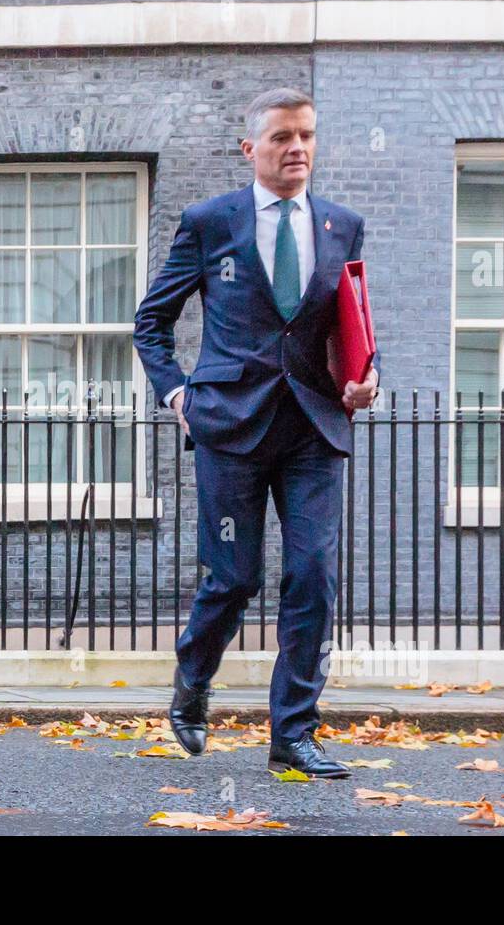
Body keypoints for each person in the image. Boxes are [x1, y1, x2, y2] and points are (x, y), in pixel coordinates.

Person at [133, 88, 380, 777]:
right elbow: (151, 322)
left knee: (312, 576)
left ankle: (293, 734)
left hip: (312, 426)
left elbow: (352, 322)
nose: (296, 147)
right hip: (231, 426)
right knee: (235, 577)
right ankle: (193, 682)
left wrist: (368, 376)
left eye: (305, 135)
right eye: (281, 137)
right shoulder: (210, 222)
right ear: (251, 149)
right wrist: (177, 390)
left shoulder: (342, 226)